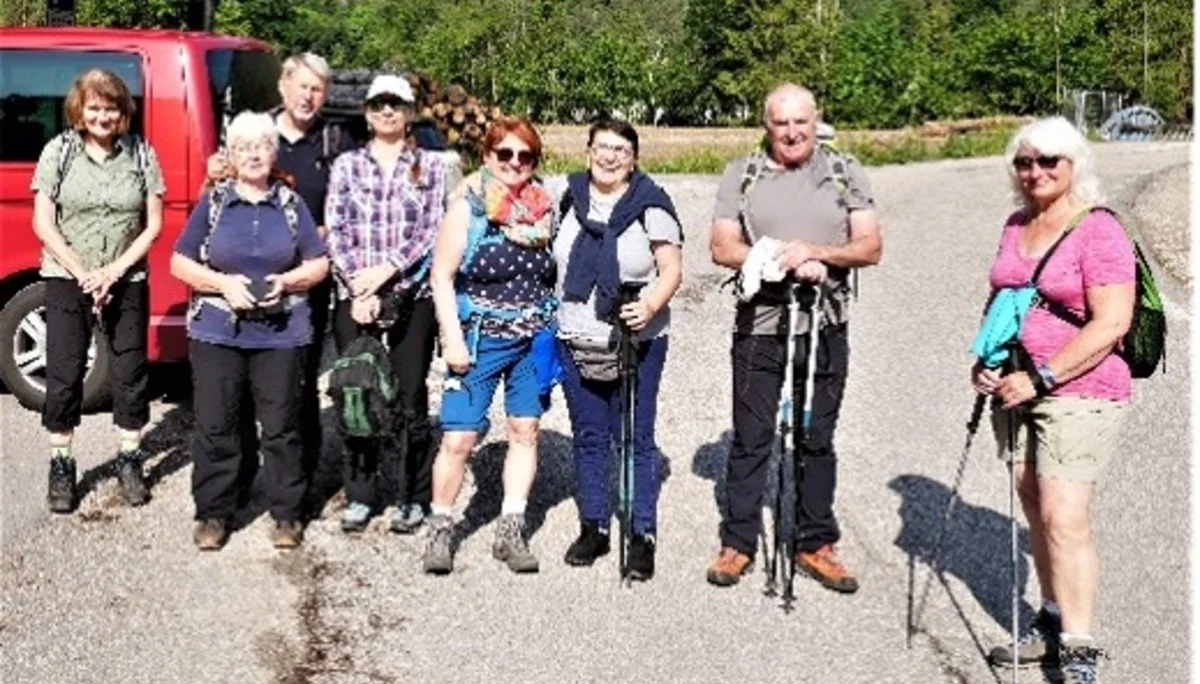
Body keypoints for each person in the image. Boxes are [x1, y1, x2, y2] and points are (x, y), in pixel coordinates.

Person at [972, 116, 1134, 684]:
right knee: (1035, 504)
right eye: (1024, 161)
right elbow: (1002, 298)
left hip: (1081, 389)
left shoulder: (1098, 230)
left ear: (1073, 166)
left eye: (1048, 161)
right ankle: (1051, 617)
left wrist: (1041, 377)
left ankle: (1079, 648)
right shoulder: (1016, 223)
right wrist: (985, 362)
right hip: (1013, 386)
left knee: (1065, 518)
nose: (1035, 171)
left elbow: (1113, 322)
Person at [706, 83, 881, 592]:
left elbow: (869, 246)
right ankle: (738, 542)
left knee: (816, 436)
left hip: (824, 322)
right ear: (766, 124)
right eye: (780, 123)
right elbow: (721, 246)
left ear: (816, 120)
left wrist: (819, 254)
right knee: (752, 433)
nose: (791, 132)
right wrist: (779, 258)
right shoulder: (743, 173)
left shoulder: (846, 172)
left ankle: (814, 541)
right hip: (760, 323)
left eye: (800, 122)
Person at [172, 112, 329, 551]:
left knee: (282, 427)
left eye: (262, 145)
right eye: (244, 148)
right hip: (217, 333)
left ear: (274, 152)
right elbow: (179, 261)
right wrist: (222, 284)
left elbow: (319, 263)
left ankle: (286, 513)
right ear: (232, 156)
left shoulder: (291, 205)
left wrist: (287, 282)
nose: (254, 154)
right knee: (217, 425)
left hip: (282, 334)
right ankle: (214, 513)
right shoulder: (216, 202)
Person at [206, 53, 354, 515]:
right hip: (245, 281)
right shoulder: (254, 134)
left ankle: (298, 483)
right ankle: (244, 477)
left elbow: (350, 205)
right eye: (302, 86)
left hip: (306, 282)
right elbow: (218, 198)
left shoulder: (336, 140)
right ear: (283, 87)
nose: (309, 97)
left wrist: (327, 230)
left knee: (300, 383)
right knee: (244, 386)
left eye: (317, 89)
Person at [422, 116, 557, 575]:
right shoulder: (469, 209)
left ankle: (510, 529)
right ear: (487, 157)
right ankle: (441, 527)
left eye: (526, 156)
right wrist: (451, 340)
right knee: (459, 438)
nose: (515, 163)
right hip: (477, 339)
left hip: (531, 340)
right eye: (505, 154)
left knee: (524, 432)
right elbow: (440, 276)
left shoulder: (543, 210)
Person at [552, 120, 683, 580]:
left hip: (636, 341)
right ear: (588, 151)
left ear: (633, 158)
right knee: (589, 437)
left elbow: (671, 270)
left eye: (620, 150)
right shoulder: (568, 200)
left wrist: (649, 305)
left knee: (633, 438)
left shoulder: (651, 206)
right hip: (576, 336)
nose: (609, 157)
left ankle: (641, 532)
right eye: (602, 147)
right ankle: (594, 525)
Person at [30, 68, 166, 513]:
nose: (103, 116)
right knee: (65, 371)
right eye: (94, 107)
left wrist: (114, 272)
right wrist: (85, 272)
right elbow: (42, 223)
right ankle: (61, 464)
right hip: (68, 275)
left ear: (122, 110)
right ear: (79, 109)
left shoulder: (142, 152)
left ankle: (129, 458)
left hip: (127, 278)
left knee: (130, 372)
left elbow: (154, 224)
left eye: (110, 108)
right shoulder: (60, 151)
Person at [325, 74, 446, 534]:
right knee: (357, 393)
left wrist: (387, 273)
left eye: (396, 104)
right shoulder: (347, 166)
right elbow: (336, 229)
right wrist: (360, 286)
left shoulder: (430, 167)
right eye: (379, 104)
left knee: (411, 398)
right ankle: (360, 495)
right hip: (354, 295)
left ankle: (411, 496)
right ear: (368, 112)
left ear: (410, 111)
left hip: (411, 295)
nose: (388, 112)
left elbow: (431, 229)